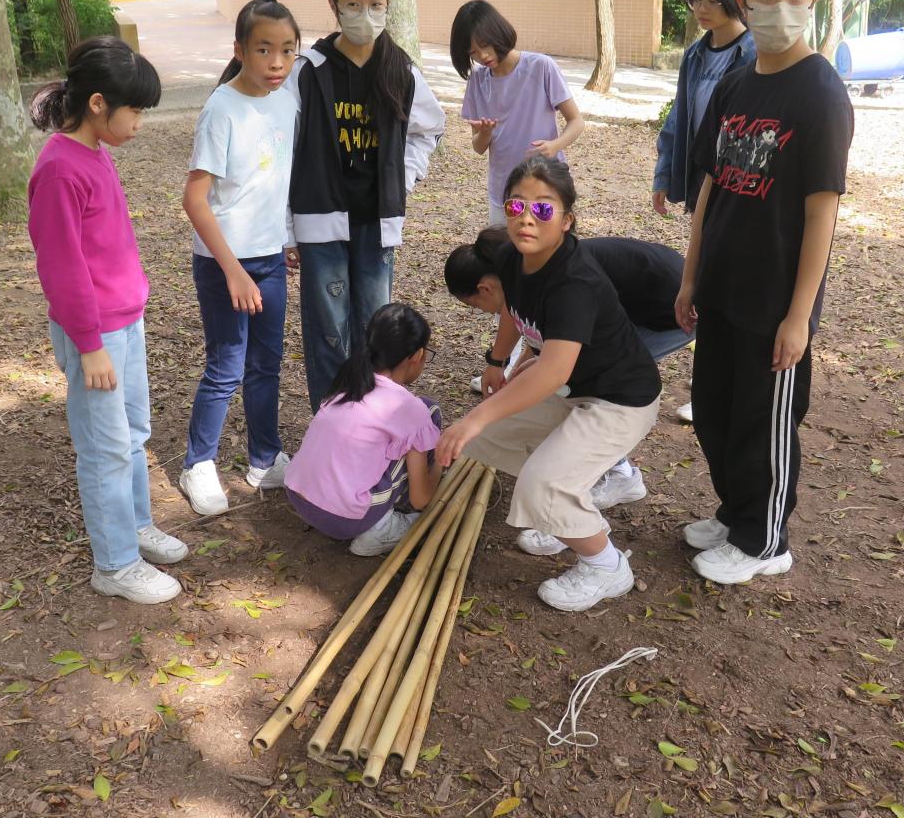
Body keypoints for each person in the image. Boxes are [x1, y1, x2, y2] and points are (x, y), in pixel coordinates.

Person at [675, 0, 853, 585]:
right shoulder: (735, 85)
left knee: (763, 421)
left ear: (813, 1)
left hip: (774, 298)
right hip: (721, 286)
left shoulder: (820, 92)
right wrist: (690, 276)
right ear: (744, 2)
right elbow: (711, 187)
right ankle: (736, 513)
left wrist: (799, 316)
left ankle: (764, 539)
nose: (781, 8)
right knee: (715, 412)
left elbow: (821, 211)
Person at [436, 157, 662, 613]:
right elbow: (511, 307)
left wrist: (475, 416)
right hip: (578, 390)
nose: (526, 217)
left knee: (538, 483)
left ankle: (607, 566)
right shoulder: (511, 257)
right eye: (516, 205)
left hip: (621, 401)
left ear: (566, 220)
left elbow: (554, 371)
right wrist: (498, 361)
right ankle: (567, 512)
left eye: (543, 208)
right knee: (487, 439)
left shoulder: (574, 281)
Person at [27, 37, 185, 605]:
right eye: (135, 110)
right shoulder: (58, 169)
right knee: (105, 447)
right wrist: (90, 344)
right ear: (98, 103)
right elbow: (62, 268)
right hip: (93, 335)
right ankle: (114, 564)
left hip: (122, 324)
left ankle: (135, 525)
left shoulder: (94, 153)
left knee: (132, 434)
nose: (140, 123)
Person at [285, 0, 446, 412]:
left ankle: (370, 418)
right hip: (320, 221)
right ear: (334, 5)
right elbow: (285, 149)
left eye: (375, 4)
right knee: (329, 330)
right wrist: (287, 229)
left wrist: (403, 179)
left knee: (376, 329)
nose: (365, 14)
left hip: (376, 223)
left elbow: (429, 129)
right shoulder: (309, 70)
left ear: (388, 5)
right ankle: (331, 420)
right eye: (353, 4)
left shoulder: (399, 69)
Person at [444, 223, 687, 507]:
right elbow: (528, 322)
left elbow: (555, 356)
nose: (483, 312)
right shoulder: (521, 272)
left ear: (484, 288)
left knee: (603, 384)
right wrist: (498, 363)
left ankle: (619, 475)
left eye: (475, 306)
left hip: (672, 306)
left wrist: (481, 416)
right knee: (572, 379)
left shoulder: (561, 280)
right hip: (641, 294)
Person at [178, 0, 301, 517]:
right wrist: (232, 271)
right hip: (223, 264)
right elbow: (195, 199)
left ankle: (264, 458)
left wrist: (286, 237)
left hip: (269, 258)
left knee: (266, 364)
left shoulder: (286, 101)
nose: (277, 62)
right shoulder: (221, 109)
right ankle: (197, 464)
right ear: (240, 50)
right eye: (264, 49)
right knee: (226, 366)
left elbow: (276, 180)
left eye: (288, 50)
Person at [653, 0, 754, 424]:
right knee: (706, 282)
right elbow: (679, 117)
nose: (703, 9)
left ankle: (728, 388)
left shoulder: (753, 52)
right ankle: (711, 388)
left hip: (743, 187)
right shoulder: (696, 54)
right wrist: (663, 175)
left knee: (729, 284)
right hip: (702, 182)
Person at [285, 303, 444, 557]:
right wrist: (440, 464)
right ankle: (382, 527)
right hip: (343, 519)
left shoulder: (348, 383)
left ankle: (367, 510)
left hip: (297, 495)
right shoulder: (411, 410)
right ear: (417, 355)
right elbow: (421, 499)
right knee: (430, 412)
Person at [450, 0, 584, 228]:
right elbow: (478, 147)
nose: (483, 56)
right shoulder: (477, 81)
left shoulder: (541, 66)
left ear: (497, 32)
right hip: (504, 190)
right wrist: (485, 133)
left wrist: (555, 145)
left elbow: (576, 121)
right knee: (504, 247)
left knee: (552, 246)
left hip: (547, 182)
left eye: (485, 45)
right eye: (473, 52)